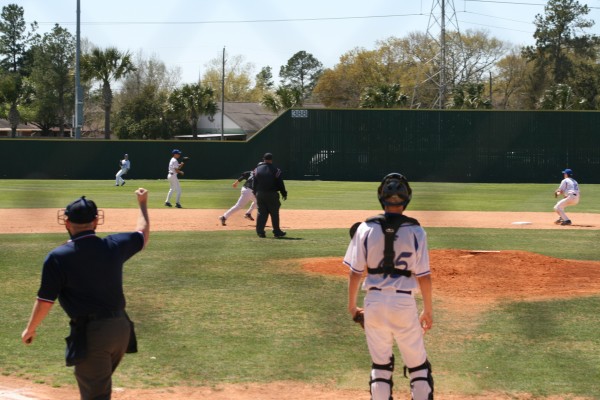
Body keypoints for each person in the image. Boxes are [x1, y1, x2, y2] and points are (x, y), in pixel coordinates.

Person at [21, 188, 150, 400]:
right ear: (96, 222)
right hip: (121, 330)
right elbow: (142, 234)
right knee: (98, 388)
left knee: (95, 395)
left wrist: (30, 329)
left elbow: (45, 301)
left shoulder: (58, 257)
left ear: (67, 223)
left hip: (93, 335)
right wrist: (143, 204)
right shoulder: (114, 245)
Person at [344, 173, 434, 400]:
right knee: (418, 367)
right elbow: (424, 276)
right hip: (403, 302)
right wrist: (428, 310)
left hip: (373, 302)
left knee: (381, 366)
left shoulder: (364, 228)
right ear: (407, 199)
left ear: (381, 198)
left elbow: (355, 273)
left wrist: (352, 307)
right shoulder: (416, 231)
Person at [252, 152, 287, 238]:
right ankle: (276, 231)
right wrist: (284, 193)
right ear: (271, 159)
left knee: (261, 212)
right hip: (272, 194)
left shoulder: (257, 169)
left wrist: (255, 193)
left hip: (260, 193)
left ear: (263, 159)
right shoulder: (276, 170)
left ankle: (260, 232)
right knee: (274, 213)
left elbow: (254, 183)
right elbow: (280, 183)